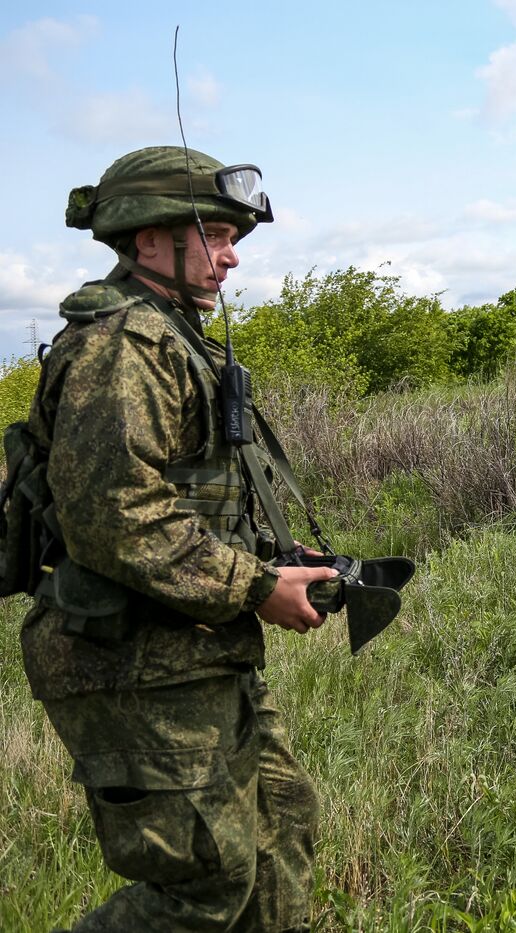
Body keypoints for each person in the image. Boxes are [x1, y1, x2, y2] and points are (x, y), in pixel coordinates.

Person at [17, 146, 336, 931]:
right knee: (203, 886)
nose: (232, 255)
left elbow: (188, 499)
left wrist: (272, 561)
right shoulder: (122, 344)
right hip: (130, 662)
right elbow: (117, 515)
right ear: (150, 238)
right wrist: (258, 589)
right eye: (217, 233)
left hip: (196, 648)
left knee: (280, 833)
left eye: (234, 237)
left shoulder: (176, 336)